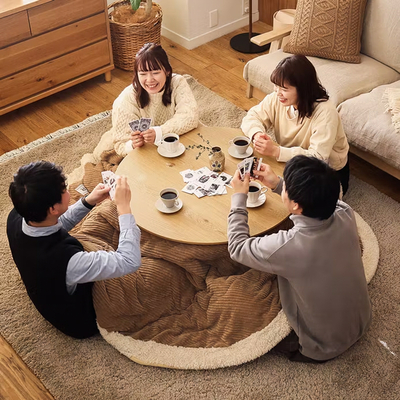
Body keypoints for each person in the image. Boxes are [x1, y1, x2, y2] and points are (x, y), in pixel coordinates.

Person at [227, 155, 371, 362]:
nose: (283, 186)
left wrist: (239, 197)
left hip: (322, 347)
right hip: (362, 322)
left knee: (249, 308)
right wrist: (277, 184)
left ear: (295, 205)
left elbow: (237, 247)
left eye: (286, 187)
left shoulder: (288, 247)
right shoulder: (345, 212)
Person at [7, 161, 141, 339]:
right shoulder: (66, 260)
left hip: (46, 288)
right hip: (78, 321)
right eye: (64, 190)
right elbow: (129, 262)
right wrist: (124, 208)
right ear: (53, 209)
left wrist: (88, 201)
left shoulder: (17, 215)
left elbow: (55, 224)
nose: (68, 191)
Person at [241, 54, 350, 194]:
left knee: (295, 200)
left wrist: (276, 151)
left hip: (326, 172)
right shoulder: (278, 98)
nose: (278, 93)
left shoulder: (326, 112)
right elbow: (251, 117)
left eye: (284, 89)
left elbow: (319, 157)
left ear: (303, 89)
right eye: (276, 86)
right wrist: (257, 134)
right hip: (291, 161)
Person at [112, 42, 199, 156]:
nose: (149, 80)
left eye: (155, 73)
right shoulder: (125, 100)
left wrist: (159, 132)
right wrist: (132, 144)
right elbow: (120, 145)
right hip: (147, 151)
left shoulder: (177, 82)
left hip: (179, 138)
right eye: (143, 74)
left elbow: (191, 117)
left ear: (167, 71)